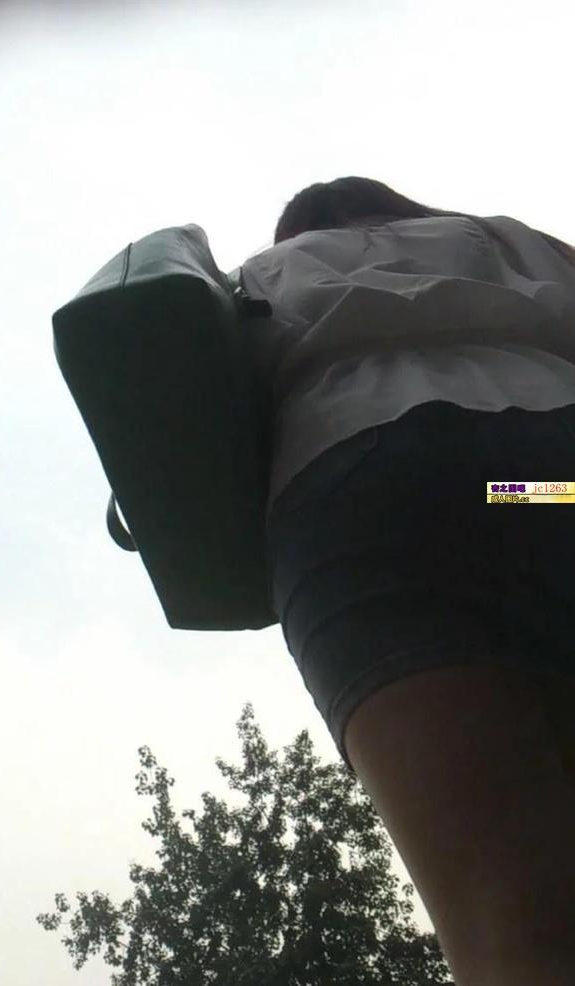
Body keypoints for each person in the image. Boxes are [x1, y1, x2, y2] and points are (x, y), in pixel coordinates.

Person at [242, 176, 575, 985]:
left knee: (515, 937)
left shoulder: (261, 275)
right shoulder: (504, 238)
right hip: (544, 474)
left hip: (366, 485)